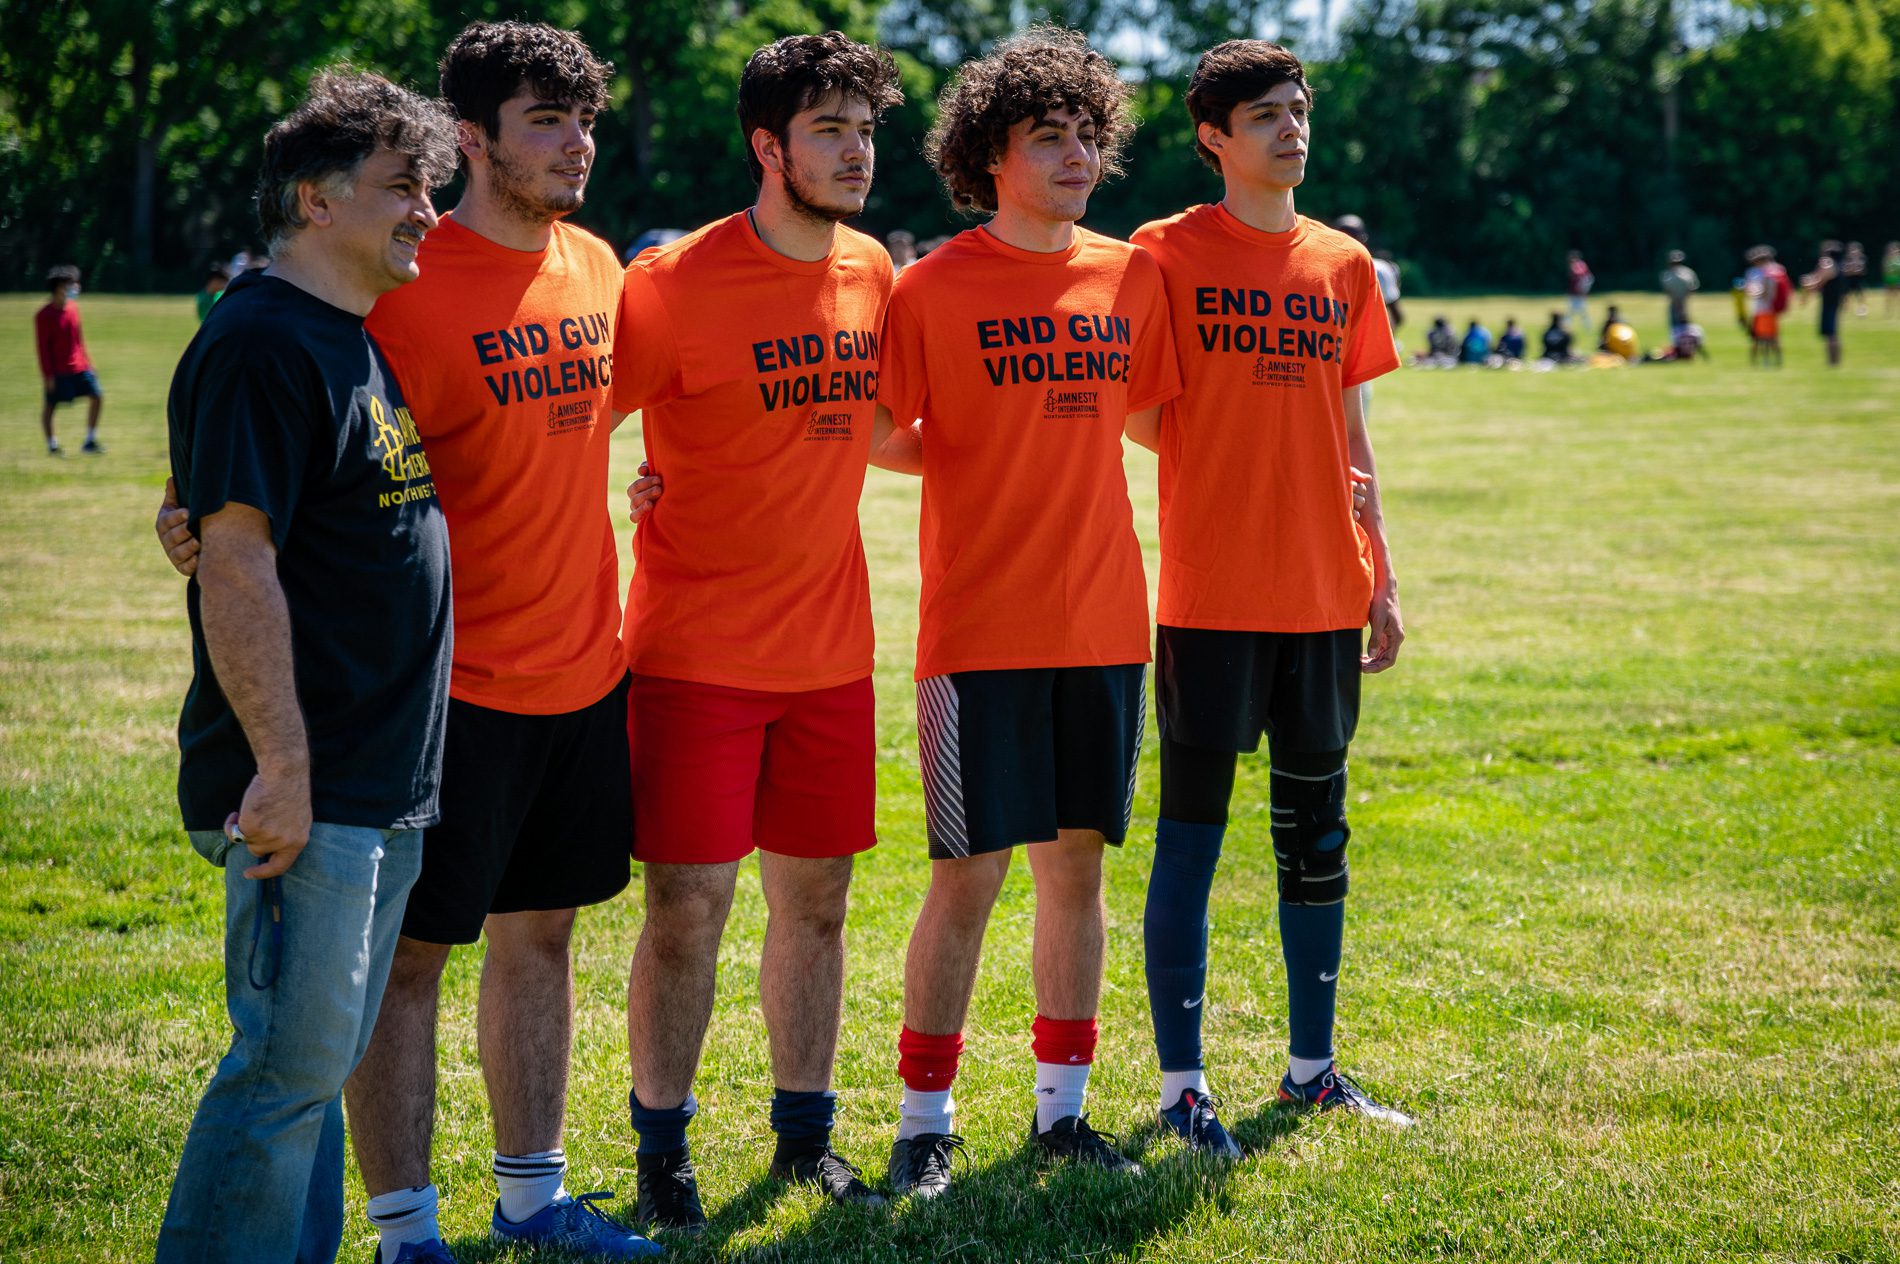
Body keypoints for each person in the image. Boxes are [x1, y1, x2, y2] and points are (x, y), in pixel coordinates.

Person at [159, 22, 661, 1261]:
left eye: (584, 117)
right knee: (326, 1035)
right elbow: (244, 526)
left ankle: (523, 1199)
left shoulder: (561, 275)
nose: (577, 141)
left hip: (508, 701)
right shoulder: (337, 318)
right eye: (545, 117)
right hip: (395, 725)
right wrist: (204, 532)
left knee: (394, 1010)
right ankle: (403, 1230)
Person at [154, 70, 457, 1264]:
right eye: (401, 187)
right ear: (313, 200)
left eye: (430, 188)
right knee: (286, 1067)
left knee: (317, 1066)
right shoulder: (262, 342)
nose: (426, 211)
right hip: (310, 786)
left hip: (377, 777)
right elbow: (234, 561)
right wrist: (281, 764)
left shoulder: (344, 336)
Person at [874, 25, 1181, 1197]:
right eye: (1046, 138)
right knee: (968, 877)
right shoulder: (932, 286)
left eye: (1086, 137)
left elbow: (1150, 421)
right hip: (979, 631)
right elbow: (871, 430)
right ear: (987, 157)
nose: (1073, 156)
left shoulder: (1131, 276)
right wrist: (967, 454)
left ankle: (1062, 1112)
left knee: (1078, 874)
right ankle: (922, 1120)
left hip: (1105, 622)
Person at [610, 31, 904, 1233]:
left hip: (831, 654)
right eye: (829, 130)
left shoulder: (874, 270)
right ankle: (661, 1149)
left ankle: (803, 1137)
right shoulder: (670, 285)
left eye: (866, 130)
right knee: (687, 908)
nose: (855, 152)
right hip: (692, 659)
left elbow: (884, 427)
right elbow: (566, 425)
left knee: (820, 903)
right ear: (767, 146)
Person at [1129, 37, 1410, 1161]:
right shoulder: (1160, 253)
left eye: (1296, 110)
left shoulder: (1342, 261)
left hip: (1321, 594)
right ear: (1214, 138)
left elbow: (1352, 434)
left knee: (1316, 837)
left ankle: (1310, 1072)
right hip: (1210, 597)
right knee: (1190, 842)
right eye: (1265, 117)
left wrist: (1380, 574)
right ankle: (1182, 1089)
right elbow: (1140, 409)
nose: (1290, 129)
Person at [34, 265, 104, 455]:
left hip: (79, 368)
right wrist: (48, 375)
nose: (75, 288)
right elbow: (42, 348)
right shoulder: (44, 315)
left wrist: (89, 363)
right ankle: (52, 445)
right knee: (50, 406)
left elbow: (78, 340)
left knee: (97, 396)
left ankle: (89, 440)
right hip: (58, 371)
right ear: (58, 287)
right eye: (71, 284)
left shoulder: (73, 309)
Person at [1803, 239, 1847, 367]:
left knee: (1831, 332)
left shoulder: (1829, 264)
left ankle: (1833, 362)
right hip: (1833, 300)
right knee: (1831, 332)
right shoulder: (1838, 264)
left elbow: (1818, 283)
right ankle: (1833, 361)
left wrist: (1808, 284)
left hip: (1830, 302)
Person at [1660, 250, 1698, 332]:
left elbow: (1692, 288)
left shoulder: (1685, 273)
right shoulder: (1686, 273)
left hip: (1683, 302)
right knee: (1679, 326)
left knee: (1682, 327)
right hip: (1678, 302)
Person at [1565, 249, 1592, 327]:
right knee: (1572, 310)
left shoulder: (1580, 265)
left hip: (1579, 293)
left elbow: (1580, 275)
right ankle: (1568, 324)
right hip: (1574, 292)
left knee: (1581, 310)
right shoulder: (1576, 265)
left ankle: (1587, 325)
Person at [1843, 241, 1867, 316]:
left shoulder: (1862, 258)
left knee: (1860, 296)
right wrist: (1852, 269)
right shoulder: (1846, 258)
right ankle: (1845, 311)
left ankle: (1861, 311)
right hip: (1848, 280)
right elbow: (1845, 271)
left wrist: (1852, 269)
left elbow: (1861, 271)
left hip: (1858, 280)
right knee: (1845, 296)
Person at [1883, 242, 1900, 317]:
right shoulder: (1886, 259)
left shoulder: (1898, 259)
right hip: (1889, 281)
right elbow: (1885, 270)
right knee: (1889, 297)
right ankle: (1888, 312)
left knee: (1898, 298)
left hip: (1898, 280)